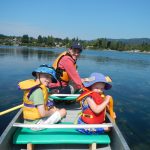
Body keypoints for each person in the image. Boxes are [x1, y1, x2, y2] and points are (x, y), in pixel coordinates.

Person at [18, 64, 67, 130]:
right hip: (36, 125)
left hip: (30, 121)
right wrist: (53, 111)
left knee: (57, 110)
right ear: (38, 74)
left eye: (50, 78)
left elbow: (40, 97)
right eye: (46, 76)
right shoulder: (38, 91)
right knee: (63, 111)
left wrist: (50, 92)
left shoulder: (35, 87)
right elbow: (43, 114)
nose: (49, 80)